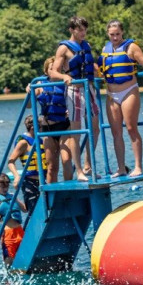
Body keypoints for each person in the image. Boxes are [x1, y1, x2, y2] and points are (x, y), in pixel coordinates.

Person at [97, 20, 143, 178]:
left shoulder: (131, 47)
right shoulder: (105, 49)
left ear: (122, 32)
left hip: (128, 91)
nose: (115, 37)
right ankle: (121, 167)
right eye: (112, 34)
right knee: (116, 132)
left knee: (131, 128)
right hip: (111, 94)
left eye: (117, 34)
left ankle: (138, 166)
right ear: (108, 34)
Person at [49, 16, 100, 182]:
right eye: (79, 30)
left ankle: (88, 165)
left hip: (89, 89)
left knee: (95, 128)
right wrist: (63, 76)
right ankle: (79, 171)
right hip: (74, 91)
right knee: (76, 131)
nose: (83, 33)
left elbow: (91, 67)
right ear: (72, 30)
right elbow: (53, 72)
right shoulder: (63, 49)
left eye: (85, 29)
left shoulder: (87, 46)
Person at [34, 57, 72, 182]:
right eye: (51, 68)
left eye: (57, 68)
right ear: (46, 71)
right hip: (48, 128)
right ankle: (52, 194)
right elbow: (29, 105)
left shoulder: (66, 83)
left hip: (64, 125)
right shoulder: (40, 83)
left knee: (66, 160)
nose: (55, 70)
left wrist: (69, 110)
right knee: (51, 166)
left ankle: (69, 190)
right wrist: (30, 91)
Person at [0, 174, 27, 267]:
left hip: (20, 231)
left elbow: (25, 209)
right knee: (10, 264)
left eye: (7, 185)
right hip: (8, 235)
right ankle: (8, 281)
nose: (5, 188)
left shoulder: (12, 196)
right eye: (2, 185)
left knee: (25, 261)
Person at [7, 117, 47, 214]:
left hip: (42, 181)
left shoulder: (40, 141)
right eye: (41, 126)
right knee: (34, 212)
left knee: (46, 209)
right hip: (30, 182)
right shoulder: (23, 142)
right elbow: (10, 161)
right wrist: (16, 176)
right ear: (33, 127)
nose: (43, 129)